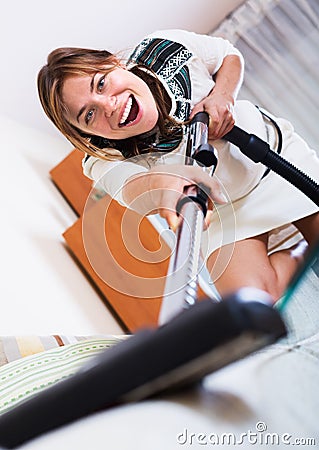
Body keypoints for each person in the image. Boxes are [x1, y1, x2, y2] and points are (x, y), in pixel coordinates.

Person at [37, 29, 319, 302]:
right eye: (89, 115)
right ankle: (299, 247)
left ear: (113, 63)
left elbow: (227, 55)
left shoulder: (164, 48)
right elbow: (137, 187)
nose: (108, 106)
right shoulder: (102, 159)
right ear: (89, 135)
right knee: (255, 301)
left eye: (100, 83)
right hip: (224, 211)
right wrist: (169, 188)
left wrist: (222, 96)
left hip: (275, 160)